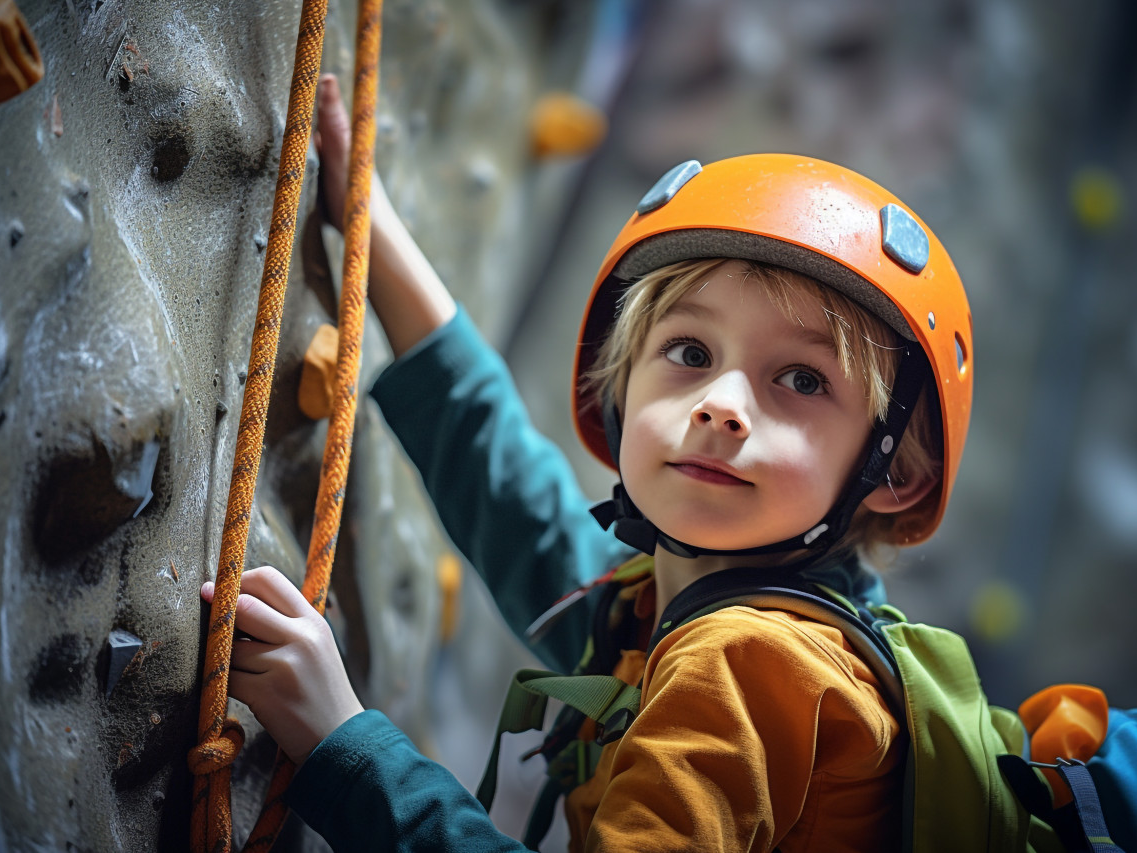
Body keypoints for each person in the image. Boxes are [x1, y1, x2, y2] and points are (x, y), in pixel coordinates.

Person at [200, 74, 973, 851]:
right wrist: (368, 221)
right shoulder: (677, 597)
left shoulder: (749, 663)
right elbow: (517, 506)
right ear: (618, 387)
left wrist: (343, 739)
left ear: (893, 472)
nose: (722, 404)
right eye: (690, 351)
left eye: (802, 380)